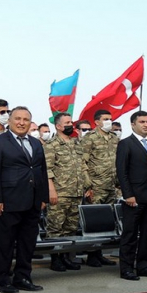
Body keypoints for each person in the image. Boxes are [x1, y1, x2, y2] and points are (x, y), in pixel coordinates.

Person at [0, 106, 48, 293]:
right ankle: (3, 280)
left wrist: (42, 197)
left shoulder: (36, 143)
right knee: (5, 243)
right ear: (10, 121)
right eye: (17, 119)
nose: (21, 123)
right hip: (8, 201)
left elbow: (41, 171)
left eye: (26, 119)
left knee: (28, 242)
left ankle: (23, 277)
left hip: (33, 201)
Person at [115, 111, 147, 280]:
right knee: (130, 234)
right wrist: (128, 194)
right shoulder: (126, 144)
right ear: (133, 124)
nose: (146, 125)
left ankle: (143, 266)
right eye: (142, 122)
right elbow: (122, 172)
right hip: (134, 197)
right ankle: (127, 269)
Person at [45, 113, 92, 272]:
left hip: (76, 192)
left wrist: (88, 186)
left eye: (71, 122)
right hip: (60, 193)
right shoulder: (52, 145)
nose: (71, 124)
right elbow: (47, 170)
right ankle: (55, 259)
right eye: (67, 122)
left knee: (70, 229)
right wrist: (51, 191)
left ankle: (66, 257)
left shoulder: (76, 143)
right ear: (58, 126)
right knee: (56, 228)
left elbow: (83, 166)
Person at [80, 110, 119, 267]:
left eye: (110, 119)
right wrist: (88, 186)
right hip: (96, 186)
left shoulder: (115, 138)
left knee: (106, 222)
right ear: (97, 122)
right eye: (105, 119)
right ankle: (92, 255)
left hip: (111, 185)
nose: (109, 121)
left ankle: (100, 253)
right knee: (94, 221)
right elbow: (83, 163)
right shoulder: (90, 138)